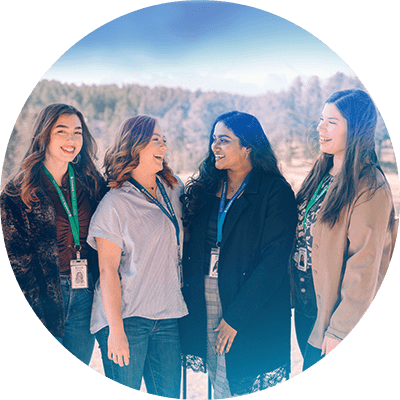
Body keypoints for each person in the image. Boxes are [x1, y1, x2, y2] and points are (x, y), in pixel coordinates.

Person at [179, 111, 297, 398]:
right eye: (213, 139)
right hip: (206, 296)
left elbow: (274, 261)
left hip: (249, 301)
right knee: (218, 376)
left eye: (224, 140)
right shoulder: (208, 187)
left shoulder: (275, 191)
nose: (214, 146)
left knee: (242, 378)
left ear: (248, 148)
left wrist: (235, 318)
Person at [292, 89, 398, 371]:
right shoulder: (322, 172)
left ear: (357, 129)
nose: (320, 127)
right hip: (307, 308)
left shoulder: (370, 187)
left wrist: (341, 329)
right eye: (320, 119)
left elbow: (365, 267)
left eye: (332, 122)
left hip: (334, 318)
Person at [87, 115, 188, 397]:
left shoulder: (174, 188)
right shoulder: (115, 203)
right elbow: (107, 272)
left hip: (168, 315)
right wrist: (116, 332)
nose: (164, 146)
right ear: (135, 145)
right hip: (127, 319)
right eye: (156, 139)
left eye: (164, 140)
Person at [1, 103, 106, 365]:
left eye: (77, 132)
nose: (71, 140)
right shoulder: (18, 190)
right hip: (44, 298)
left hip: (86, 292)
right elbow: (14, 259)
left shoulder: (91, 183)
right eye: (62, 131)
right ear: (44, 135)